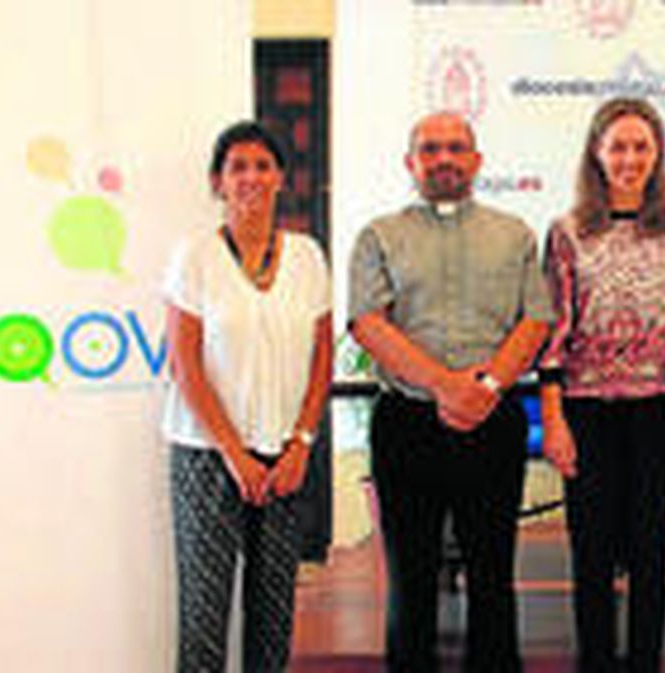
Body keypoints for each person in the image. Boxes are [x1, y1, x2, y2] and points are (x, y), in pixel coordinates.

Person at [348, 111, 553, 672]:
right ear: (411, 162)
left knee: (492, 576)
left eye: (456, 148)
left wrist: (484, 387)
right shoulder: (379, 236)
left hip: (492, 422)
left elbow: (535, 320)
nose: (444, 159)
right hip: (408, 424)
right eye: (430, 149)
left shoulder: (515, 236)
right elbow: (368, 322)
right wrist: (444, 386)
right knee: (411, 580)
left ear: (477, 161)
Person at [162, 120, 333, 673]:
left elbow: (322, 356)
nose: (251, 177)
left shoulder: (307, 256)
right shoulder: (195, 256)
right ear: (218, 183)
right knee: (205, 612)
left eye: (263, 165)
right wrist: (234, 453)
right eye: (238, 167)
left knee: (274, 610)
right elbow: (184, 363)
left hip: (285, 454)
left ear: (281, 177)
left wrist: (302, 443)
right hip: (208, 456)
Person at [538, 98, 665, 673]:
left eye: (641, 147)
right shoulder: (566, 232)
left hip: (656, 410)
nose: (630, 159)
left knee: (650, 553)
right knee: (593, 555)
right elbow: (552, 333)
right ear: (597, 154)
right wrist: (553, 419)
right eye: (618, 147)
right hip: (586, 411)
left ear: (656, 156)